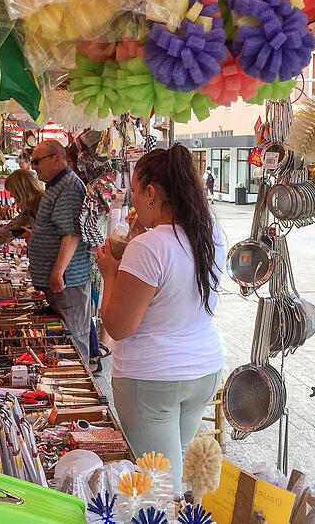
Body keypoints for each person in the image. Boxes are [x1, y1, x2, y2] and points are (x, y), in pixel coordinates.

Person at [95, 143, 225, 491]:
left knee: (157, 485)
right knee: (174, 472)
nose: (132, 200)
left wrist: (109, 272)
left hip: (154, 379)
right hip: (203, 370)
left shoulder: (149, 247)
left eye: (135, 191)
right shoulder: (210, 235)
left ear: (151, 193)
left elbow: (118, 327)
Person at [28, 140, 93, 362]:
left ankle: (84, 384)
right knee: (69, 333)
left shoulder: (69, 186)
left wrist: (57, 272)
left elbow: (72, 234)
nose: (34, 167)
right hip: (62, 281)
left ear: (56, 159)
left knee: (74, 335)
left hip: (69, 280)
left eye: (37, 162)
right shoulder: (58, 185)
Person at [0, 170, 43, 247]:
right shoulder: (28, 209)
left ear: (20, 190)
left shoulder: (43, 203)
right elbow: (6, 231)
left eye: (12, 191)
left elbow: (54, 234)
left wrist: (32, 234)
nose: (11, 195)